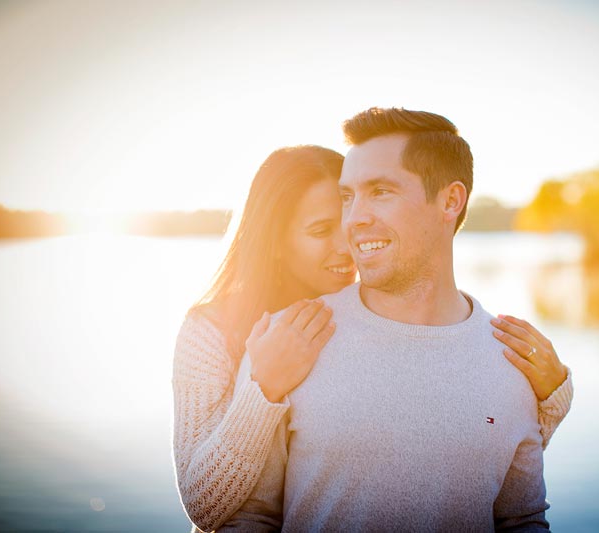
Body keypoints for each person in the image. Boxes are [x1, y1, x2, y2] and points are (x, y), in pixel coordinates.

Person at [172, 138, 572, 531]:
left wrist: (551, 398)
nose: (346, 243)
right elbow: (206, 510)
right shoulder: (213, 330)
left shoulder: (383, 307)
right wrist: (263, 390)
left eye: (348, 210)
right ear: (276, 243)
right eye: (319, 230)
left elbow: (464, 458)